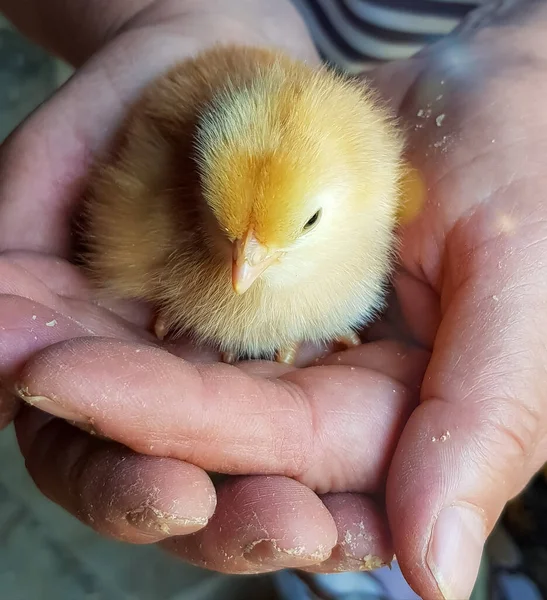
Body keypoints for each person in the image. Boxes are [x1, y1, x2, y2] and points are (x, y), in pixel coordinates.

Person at [0, 1, 546, 599]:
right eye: (230, 233)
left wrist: (530, 54)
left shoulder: (369, 196)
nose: (244, 271)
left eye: (301, 227)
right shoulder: (172, 209)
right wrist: (156, 11)